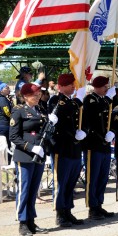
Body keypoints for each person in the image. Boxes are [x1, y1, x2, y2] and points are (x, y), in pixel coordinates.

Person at [9, 83, 49, 236]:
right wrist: (31, 147)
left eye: (39, 94)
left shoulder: (40, 109)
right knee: (24, 190)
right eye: (34, 95)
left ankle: (31, 220)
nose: (38, 96)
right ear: (25, 96)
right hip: (25, 155)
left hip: (39, 155)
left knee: (33, 190)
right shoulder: (18, 111)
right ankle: (23, 222)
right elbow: (13, 136)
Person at [48, 74, 86, 227]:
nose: (73, 86)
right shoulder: (56, 100)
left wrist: (84, 131)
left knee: (71, 181)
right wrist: (78, 100)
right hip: (61, 146)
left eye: (73, 84)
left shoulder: (72, 101)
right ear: (61, 86)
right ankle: (59, 213)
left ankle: (68, 210)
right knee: (61, 182)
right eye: (69, 84)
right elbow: (64, 111)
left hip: (74, 146)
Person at [81, 76, 117, 220]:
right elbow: (93, 113)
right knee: (93, 177)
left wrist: (112, 132)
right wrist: (108, 99)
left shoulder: (104, 100)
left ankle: (99, 204)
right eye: (105, 87)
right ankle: (92, 207)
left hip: (104, 144)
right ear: (97, 87)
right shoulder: (90, 99)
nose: (107, 89)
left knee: (103, 176)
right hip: (93, 143)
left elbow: (111, 116)